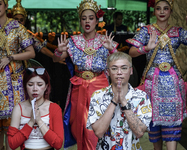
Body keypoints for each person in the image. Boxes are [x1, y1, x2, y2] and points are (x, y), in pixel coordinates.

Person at [53, 0, 119, 149]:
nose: (87, 21)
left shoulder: (105, 41)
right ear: (80, 21)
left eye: (91, 18)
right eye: (84, 18)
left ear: (97, 20)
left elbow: (118, 63)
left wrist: (111, 50)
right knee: (78, 125)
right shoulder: (73, 41)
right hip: (79, 86)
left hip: (100, 86)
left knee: (96, 126)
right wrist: (59, 51)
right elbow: (56, 59)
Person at [126, 0, 187, 149]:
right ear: (154, 11)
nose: (162, 11)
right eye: (158, 8)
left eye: (166, 9)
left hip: (173, 81)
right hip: (152, 81)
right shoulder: (146, 30)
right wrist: (146, 48)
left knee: (172, 120)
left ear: (170, 11)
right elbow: (131, 52)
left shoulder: (178, 31)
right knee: (153, 120)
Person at [0, 0, 35, 150]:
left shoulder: (17, 27)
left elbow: (31, 52)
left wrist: (11, 57)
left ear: (6, 6)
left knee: (12, 118)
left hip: (14, 79)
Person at [86, 52, 152, 149]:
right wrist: (114, 101)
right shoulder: (98, 96)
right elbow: (99, 132)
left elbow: (139, 132)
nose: (119, 72)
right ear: (108, 72)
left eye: (124, 68)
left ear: (131, 71)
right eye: (114, 68)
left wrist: (124, 102)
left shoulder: (141, 97)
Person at [7, 67, 64, 150]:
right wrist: (30, 122)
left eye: (40, 85)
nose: (35, 89)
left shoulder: (54, 108)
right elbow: (12, 144)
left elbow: (58, 144)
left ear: (46, 87)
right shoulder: (18, 109)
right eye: (30, 85)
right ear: (25, 86)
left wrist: (39, 121)